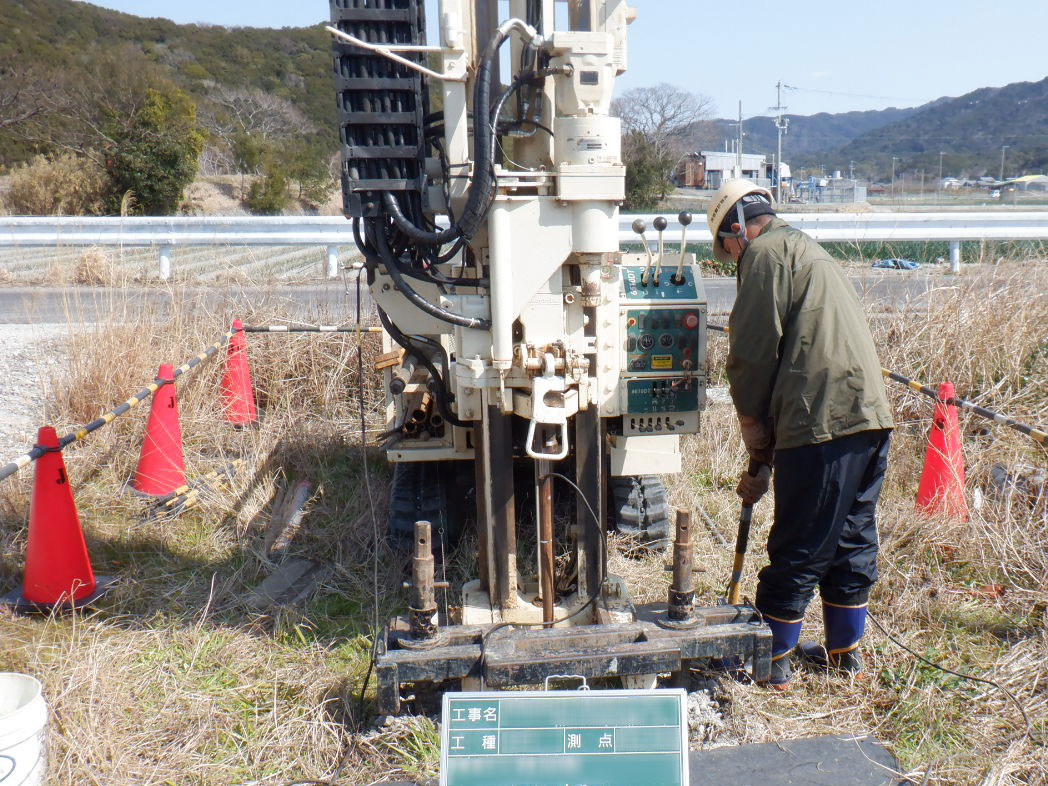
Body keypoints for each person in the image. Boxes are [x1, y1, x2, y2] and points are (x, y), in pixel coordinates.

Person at [707, 180, 894, 689]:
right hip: (869, 416)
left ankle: (770, 666)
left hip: (821, 422)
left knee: (798, 547)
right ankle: (844, 657)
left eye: (726, 249)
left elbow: (750, 356)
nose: (730, 258)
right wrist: (765, 461)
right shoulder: (809, 249)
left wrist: (755, 439)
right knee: (851, 540)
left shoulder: (765, 256)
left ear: (737, 230)